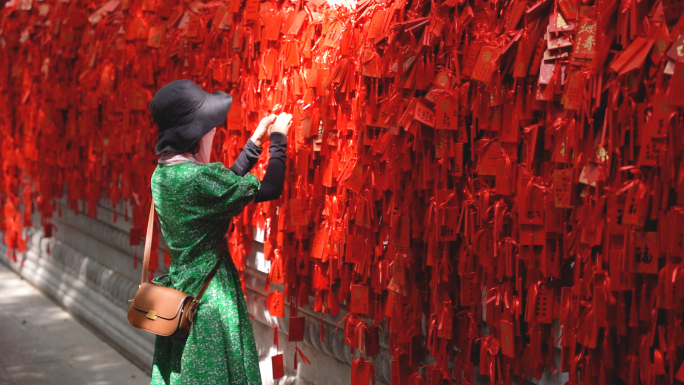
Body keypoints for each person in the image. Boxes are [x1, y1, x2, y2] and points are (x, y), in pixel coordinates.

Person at [147, 79, 291, 385]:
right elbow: (271, 188)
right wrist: (279, 139)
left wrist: (255, 142)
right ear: (194, 134)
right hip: (210, 299)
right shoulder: (198, 179)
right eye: (209, 128)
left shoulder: (163, 174)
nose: (213, 132)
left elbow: (220, 189)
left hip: (182, 294)